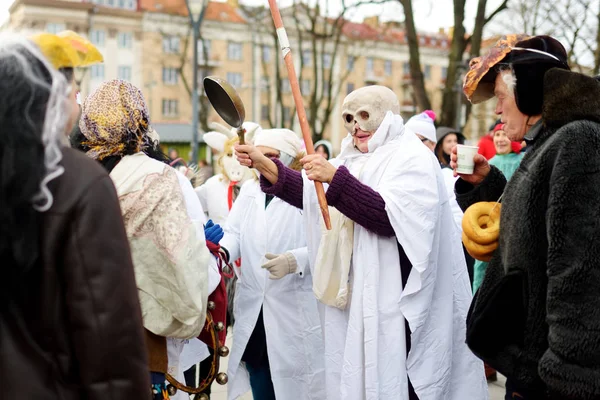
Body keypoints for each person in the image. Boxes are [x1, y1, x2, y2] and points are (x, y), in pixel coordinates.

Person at [236, 85, 487, 400]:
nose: (356, 126)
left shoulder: (411, 156)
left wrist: (334, 178)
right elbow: (312, 196)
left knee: (402, 380)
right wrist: (263, 164)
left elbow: (387, 218)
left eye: (365, 115)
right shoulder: (352, 158)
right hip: (360, 298)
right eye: (349, 118)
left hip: (399, 298)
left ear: (387, 115)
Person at [0, 34, 149, 398]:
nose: (78, 104)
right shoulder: (77, 182)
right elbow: (106, 327)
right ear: (50, 99)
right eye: (74, 91)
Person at [455, 34, 600, 399]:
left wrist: (566, 379)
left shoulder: (577, 141)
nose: (497, 111)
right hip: (530, 367)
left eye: (501, 98)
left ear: (529, 92)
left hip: (552, 379)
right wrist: (487, 185)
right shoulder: (550, 142)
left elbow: (578, 271)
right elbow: (531, 222)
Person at [78, 79, 219, 399]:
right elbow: (181, 261)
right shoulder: (160, 177)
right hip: (144, 338)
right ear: (141, 121)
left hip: (81, 330)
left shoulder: (73, 175)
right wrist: (201, 242)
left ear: (90, 122)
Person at [220, 128, 325, 400]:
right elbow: (234, 233)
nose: (260, 162)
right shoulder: (250, 191)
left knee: (298, 385)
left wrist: (295, 260)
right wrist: (222, 253)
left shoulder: (310, 191)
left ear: (290, 159)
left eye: (271, 156)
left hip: (293, 309)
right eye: (258, 155)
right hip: (256, 312)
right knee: (261, 379)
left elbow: (329, 243)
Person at [407, 110, 475, 283]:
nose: (407, 145)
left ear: (431, 144)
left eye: (416, 140)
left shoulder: (447, 175)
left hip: (449, 248)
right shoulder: (403, 174)